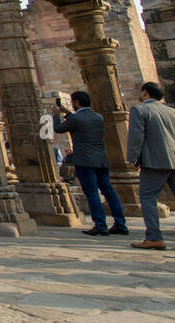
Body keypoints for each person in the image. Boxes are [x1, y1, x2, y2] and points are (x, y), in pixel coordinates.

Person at [126, 81, 175, 251]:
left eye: (141, 91)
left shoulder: (140, 109)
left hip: (153, 162)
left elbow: (136, 137)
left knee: (148, 198)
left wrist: (133, 159)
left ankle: (154, 237)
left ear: (145, 93)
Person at [52, 91, 127, 237]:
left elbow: (58, 128)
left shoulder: (76, 118)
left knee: (92, 193)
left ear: (77, 102)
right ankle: (120, 223)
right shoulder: (98, 117)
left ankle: (100, 225)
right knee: (109, 192)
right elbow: (79, 123)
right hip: (101, 159)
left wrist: (56, 115)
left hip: (85, 160)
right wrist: (68, 114)